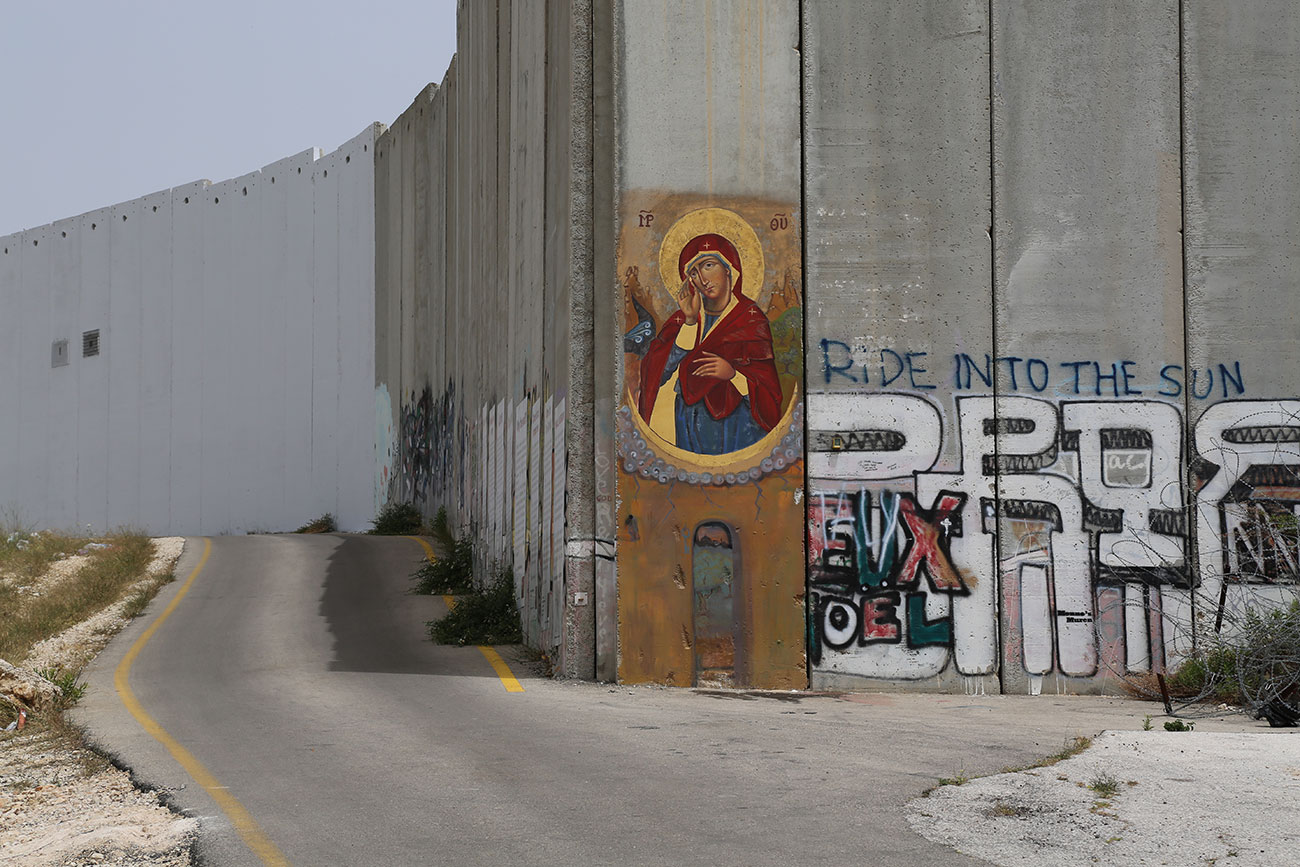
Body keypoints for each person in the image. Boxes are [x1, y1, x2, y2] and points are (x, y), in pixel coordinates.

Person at [638, 232, 782, 455]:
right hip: (687, 420)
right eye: (693, 273)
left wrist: (733, 374)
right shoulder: (683, 317)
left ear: (728, 268)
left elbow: (769, 389)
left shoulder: (752, 319)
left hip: (736, 426)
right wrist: (689, 322)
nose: (702, 279)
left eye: (708, 265)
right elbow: (656, 374)